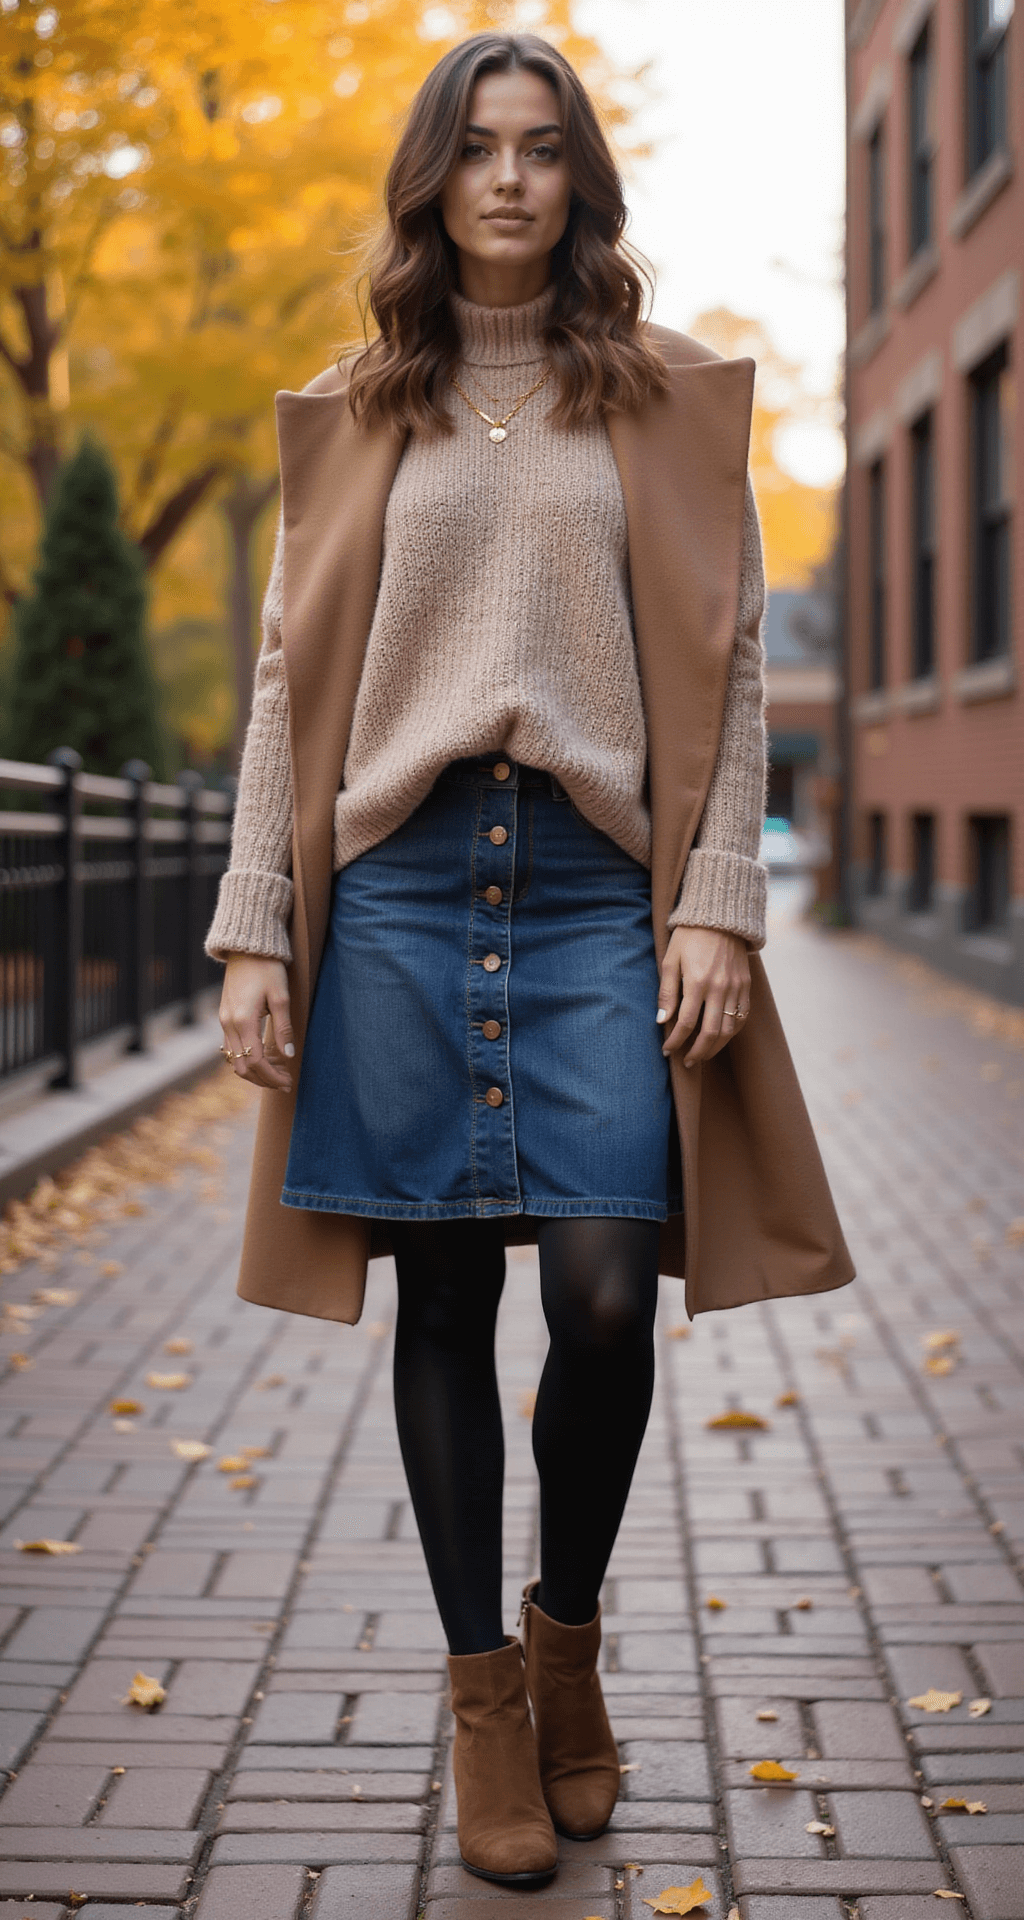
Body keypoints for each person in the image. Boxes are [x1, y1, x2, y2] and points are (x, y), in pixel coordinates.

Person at [206, 31, 853, 1891]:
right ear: (433, 178)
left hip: (593, 891)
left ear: (580, 181)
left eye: (541, 149)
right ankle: (490, 1701)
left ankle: (565, 1636)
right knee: (436, 1306)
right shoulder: (354, 413)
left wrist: (718, 888)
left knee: (597, 1294)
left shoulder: (661, 401)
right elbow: (285, 690)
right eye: (477, 148)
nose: (507, 179)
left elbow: (731, 663)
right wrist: (259, 923)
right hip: (400, 890)